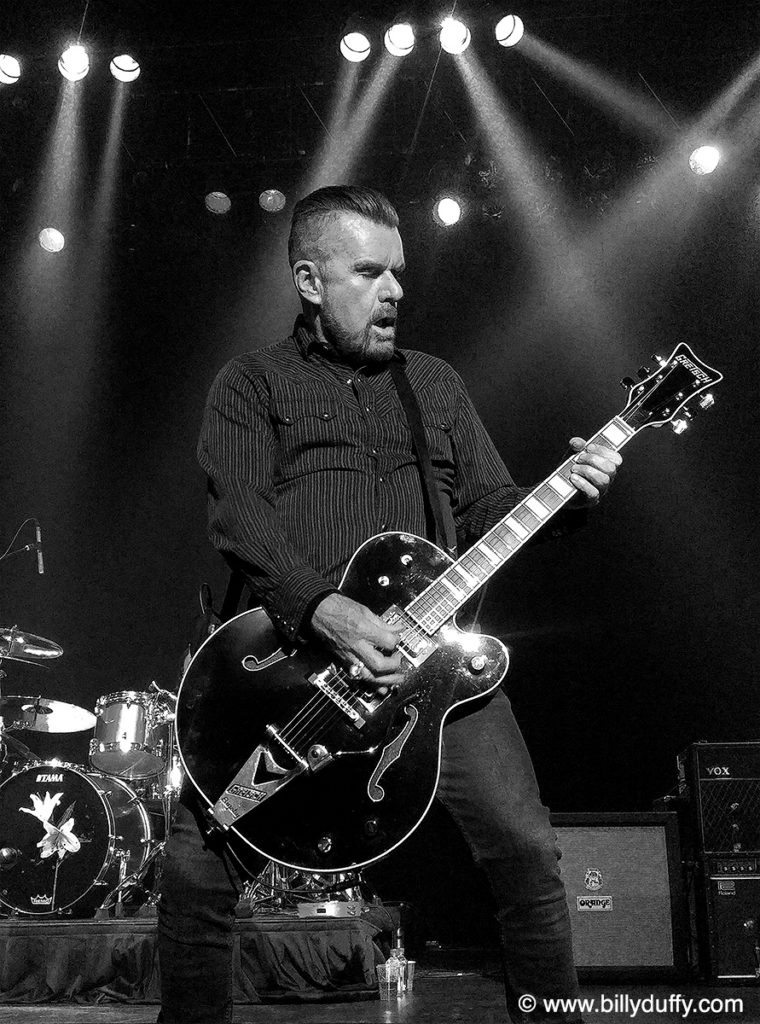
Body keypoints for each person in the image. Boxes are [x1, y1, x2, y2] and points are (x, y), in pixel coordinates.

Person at [157, 184, 621, 1024]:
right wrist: (325, 610)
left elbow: (485, 510)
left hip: (433, 669)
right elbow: (240, 515)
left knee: (526, 852)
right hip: (292, 671)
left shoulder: (434, 385)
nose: (395, 291)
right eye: (369, 272)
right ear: (309, 279)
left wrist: (569, 493)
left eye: (398, 273)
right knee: (198, 871)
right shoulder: (252, 382)